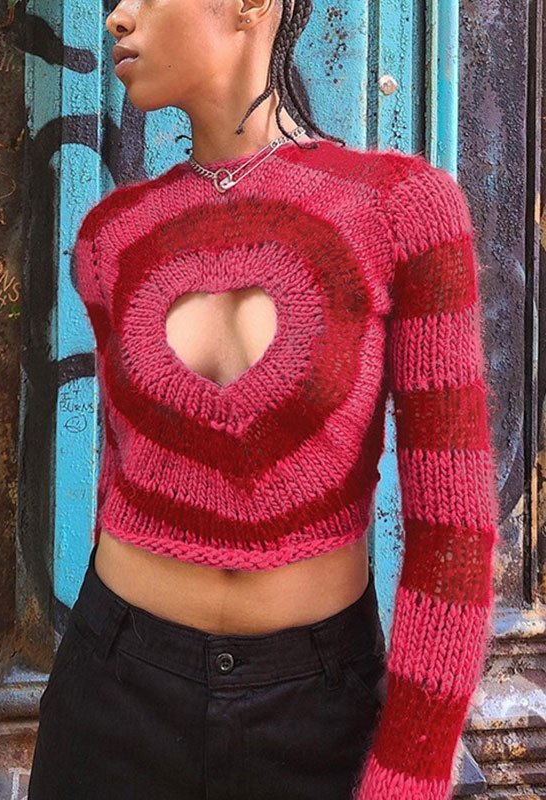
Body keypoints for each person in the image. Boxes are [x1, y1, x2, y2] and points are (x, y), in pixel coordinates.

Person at [28, 1, 500, 798]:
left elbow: (453, 529)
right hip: (111, 692)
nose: (117, 18)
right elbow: (123, 472)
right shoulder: (112, 236)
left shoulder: (401, 209)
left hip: (320, 711)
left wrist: (410, 773)